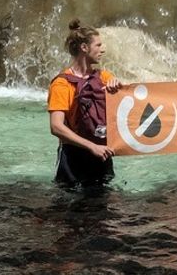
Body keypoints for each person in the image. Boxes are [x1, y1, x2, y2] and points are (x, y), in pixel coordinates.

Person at [47, 20, 123, 189]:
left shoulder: (104, 77)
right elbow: (56, 127)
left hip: (101, 154)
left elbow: (127, 109)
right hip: (74, 158)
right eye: (98, 45)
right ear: (84, 48)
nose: (103, 49)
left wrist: (117, 88)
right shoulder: (61, 84)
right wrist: (91, 146)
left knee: (105, 208)